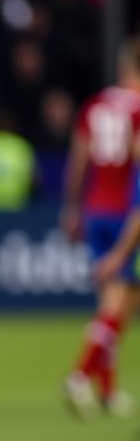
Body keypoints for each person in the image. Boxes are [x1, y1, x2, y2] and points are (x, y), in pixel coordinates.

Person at [61, 39, 140, 418]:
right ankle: (79, 376)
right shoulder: (138, 110)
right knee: (120, 303)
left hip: (95, 208)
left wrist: (72, 206)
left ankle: (107, 392)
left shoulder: (95, 105)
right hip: (128, 213)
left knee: (109, 303)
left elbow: (79, 158)